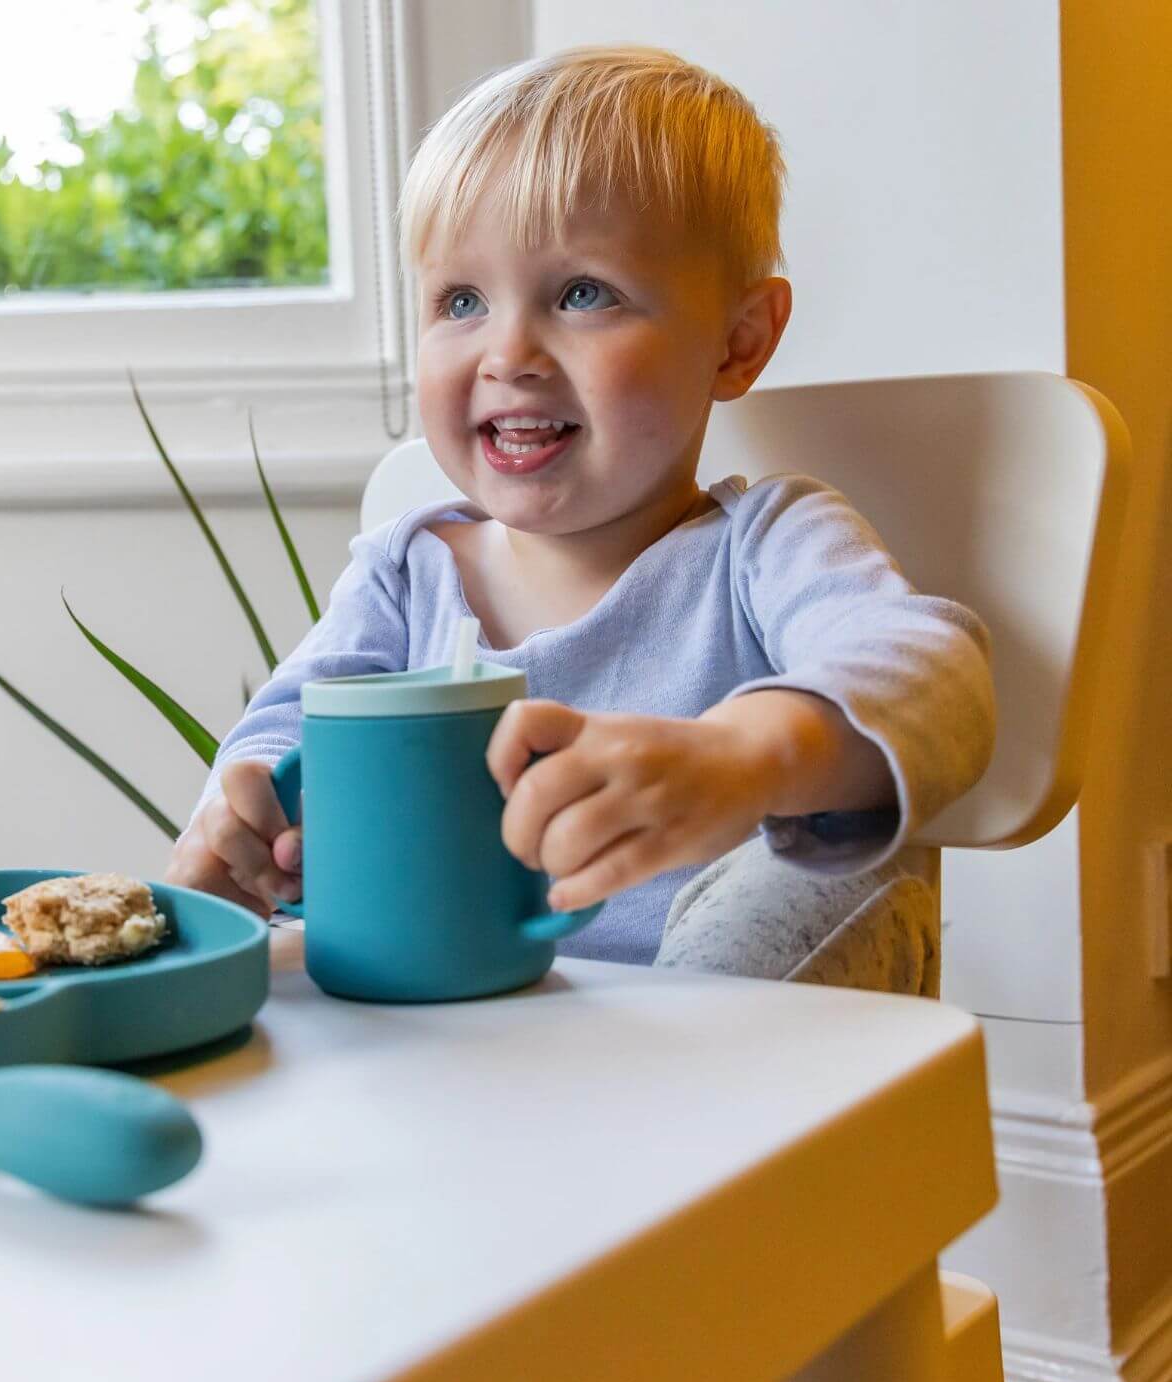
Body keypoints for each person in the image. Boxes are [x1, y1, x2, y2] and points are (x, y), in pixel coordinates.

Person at [166, 45, 996, 980]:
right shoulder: (408, 572)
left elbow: (941, 672)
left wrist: (739, 759)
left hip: (731, 1050)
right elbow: (282, 734)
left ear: (738, 341)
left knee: (803, 882)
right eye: (462, 300)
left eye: (582, 293)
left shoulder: (767, 545)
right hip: (466, 1022)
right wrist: (240, 818)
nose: (507, 352)